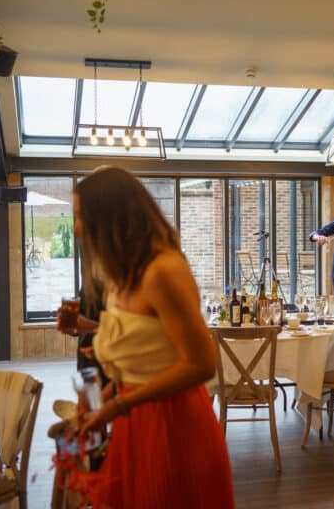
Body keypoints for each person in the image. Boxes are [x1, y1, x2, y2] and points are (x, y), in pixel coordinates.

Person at [75, 167, 234, 508]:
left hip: (175, 426)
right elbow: (144, 362)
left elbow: (202, 363)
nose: (76, 227)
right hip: (135, 423)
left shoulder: (163, 270)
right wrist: (102, 402)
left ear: (108, 215)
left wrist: (120, 404)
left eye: (80, 215)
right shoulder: (121, 276)